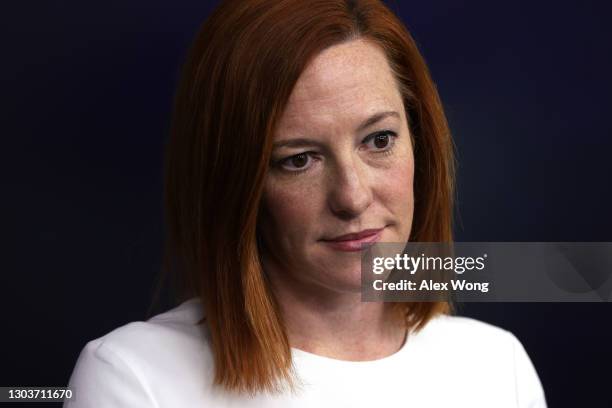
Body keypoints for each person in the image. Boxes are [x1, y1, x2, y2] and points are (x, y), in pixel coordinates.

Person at [65, 0, 547, 406]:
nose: (353, 197)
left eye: (379, 140)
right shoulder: (134, 378)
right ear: (235, 184)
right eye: (299, 160)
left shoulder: (496, 364)